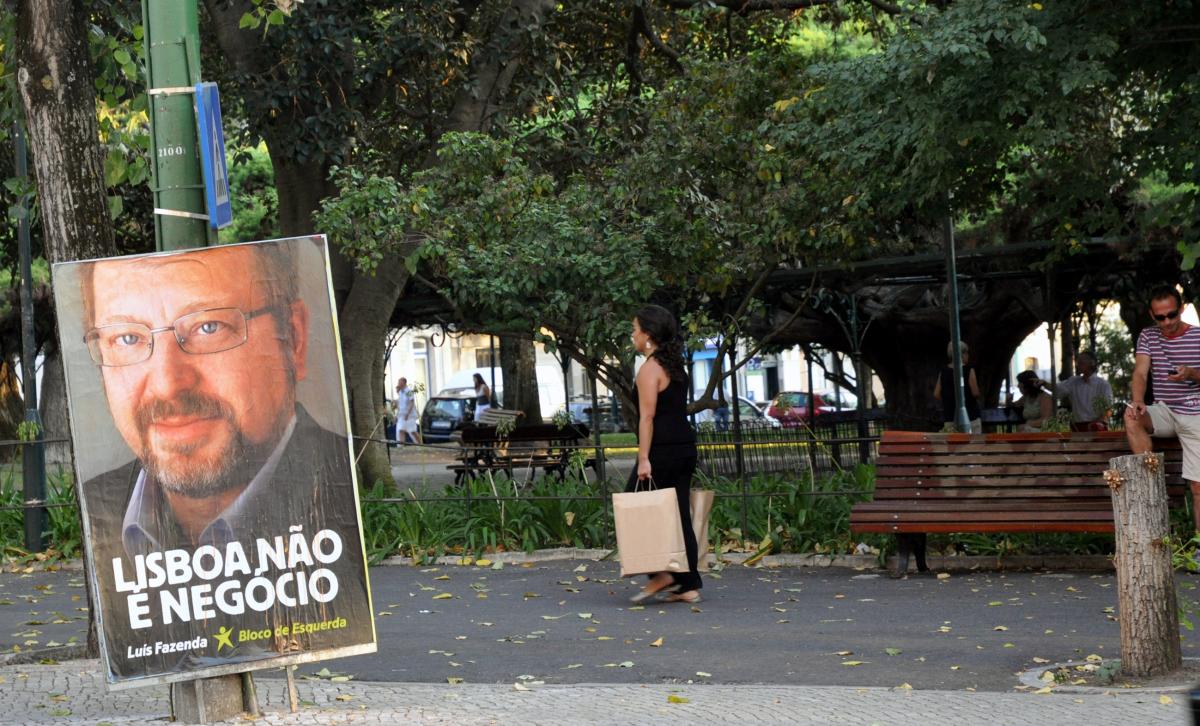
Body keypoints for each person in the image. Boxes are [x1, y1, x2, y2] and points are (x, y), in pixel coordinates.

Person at [73, 242, 371, 681]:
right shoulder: (98, 507)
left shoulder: (340, 491)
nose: (168, 384)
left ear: (294, 338)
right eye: (128, 338)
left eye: (209, 327)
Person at [627, 304, 702, 605]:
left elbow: (647, 418)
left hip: (662, 450)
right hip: (684, 446)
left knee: (635, 506)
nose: (632, 335)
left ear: (647, 335)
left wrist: (644, 458)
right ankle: (688, 584)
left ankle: (662, 574)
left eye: (634, 330)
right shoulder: (674, 366)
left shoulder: (650, 369)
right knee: (678, 514)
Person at [1125, 285, 1200, 531]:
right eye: (1160, 317)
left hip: (1195, 412)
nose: (1167, 322)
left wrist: (1191, 373)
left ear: (1181, 309)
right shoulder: (1148, 336)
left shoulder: (1197, 336)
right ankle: (1151, 486)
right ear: (1151, 314)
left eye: (1172, 315)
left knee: (1198, 487)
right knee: (1132, 416)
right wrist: (1137, 400)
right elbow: (1140, 373)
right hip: (1164, 410)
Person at [1055, 351, 1113, 431]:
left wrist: (1097, 423)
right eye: (1078, 362)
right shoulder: (1073, 382)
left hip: (1098, 427)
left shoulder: (1103, 384)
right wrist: (1043, 383)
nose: (1078, 364)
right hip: (1077, 427)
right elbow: (1055, 389)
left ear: (1092, 363)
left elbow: (1108, 410)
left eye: (1082, 361)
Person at [932, 341, 982, 433]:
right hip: (970, 416)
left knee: (954, 447)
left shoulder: (943, 371)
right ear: (962, 354)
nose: (968, 355)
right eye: (967, 353)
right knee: (973, 445)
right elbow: (975, 393)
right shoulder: (968, 370)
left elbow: (936, 394)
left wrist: (949, 399)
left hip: (950, 417)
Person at [394, 377, 422, 444]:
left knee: (412, 431)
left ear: (403, 382)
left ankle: (420, 443)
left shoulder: (409, 391)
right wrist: (397, 415)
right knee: (400, 430)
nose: (398, 384)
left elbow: (411, 402)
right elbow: (400, 405)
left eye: (399, 382)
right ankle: (401, 446)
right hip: (402, 415)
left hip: (409, 415)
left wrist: (408, 413)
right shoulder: (400, 392)